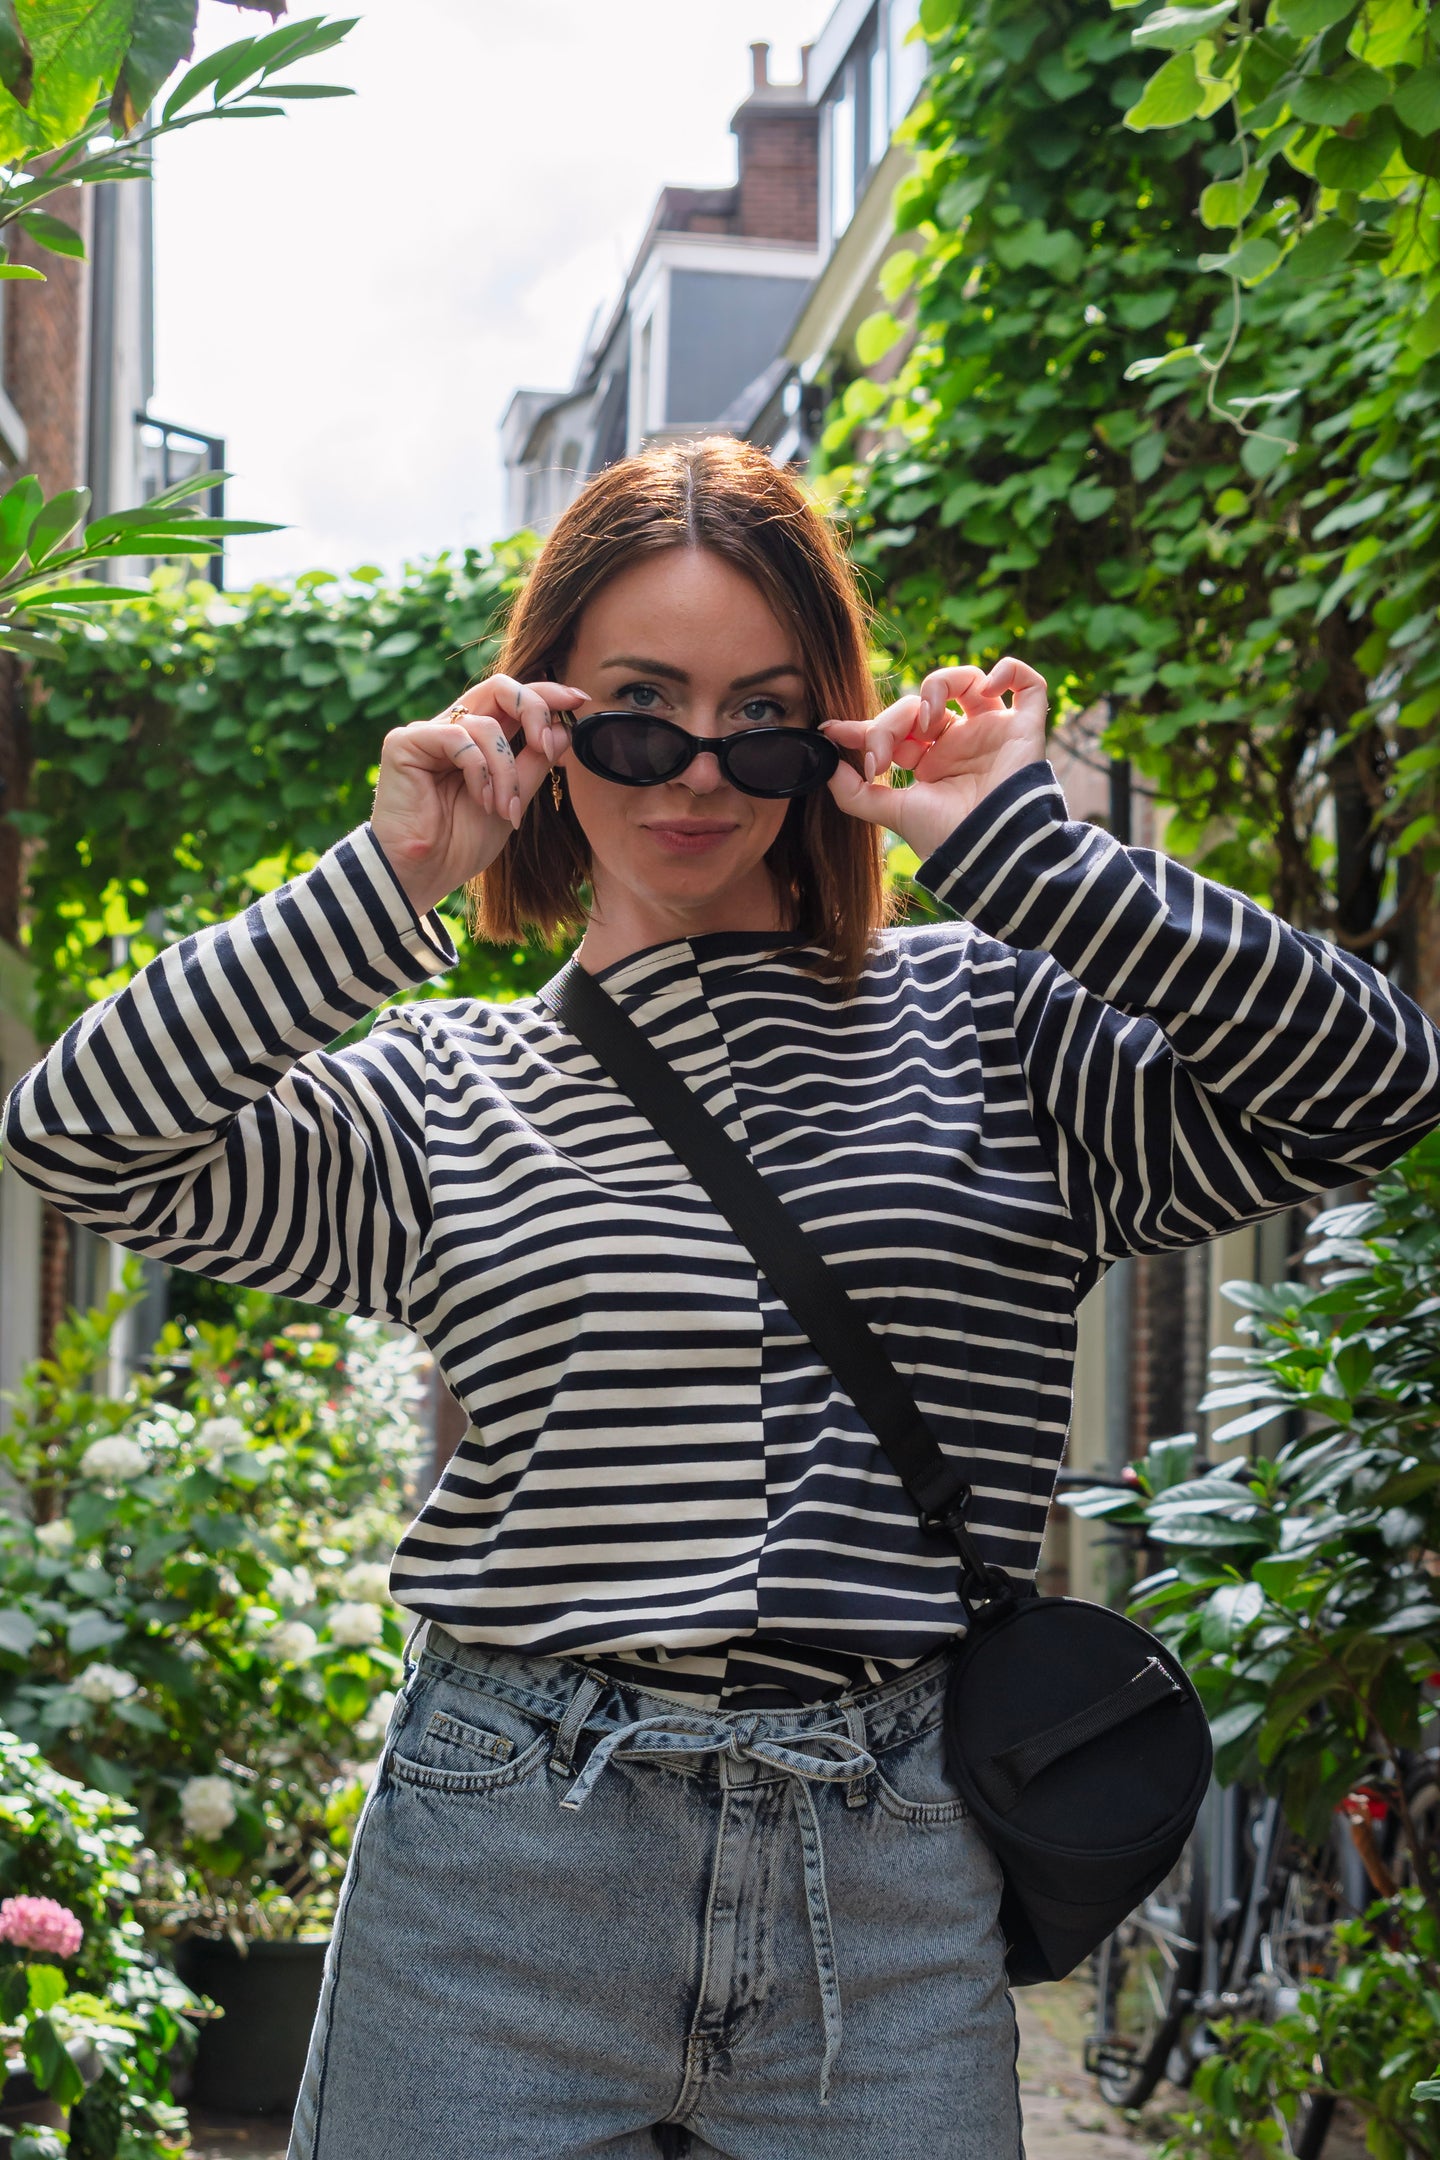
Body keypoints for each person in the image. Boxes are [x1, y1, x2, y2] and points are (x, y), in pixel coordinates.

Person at [5, 436, 1439, 2160]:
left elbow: (1378, 1088)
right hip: (502, 1870)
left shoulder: (996, 1033)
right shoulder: (451, 1093)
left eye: (759, 718)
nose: (695, 771)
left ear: (832, 733)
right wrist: (386, 881)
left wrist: (1027, 854)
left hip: (890, 1878)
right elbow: (79, 1138)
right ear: (541, 720)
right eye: (635, 712)